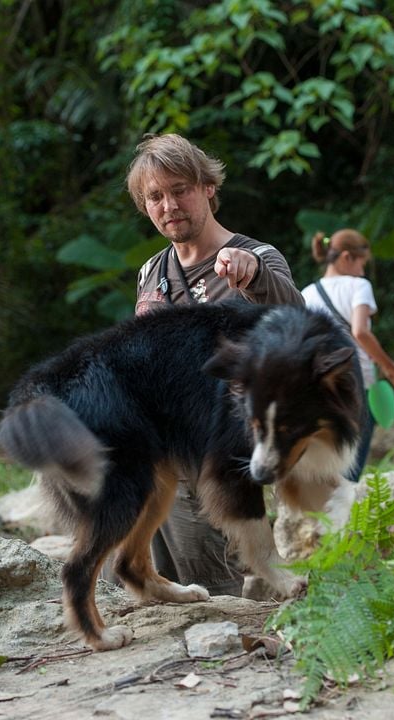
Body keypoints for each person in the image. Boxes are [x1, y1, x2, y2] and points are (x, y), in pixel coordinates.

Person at [127, 133, 304, 596]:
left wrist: (254, 274)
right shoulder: (151, 272)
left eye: (180, 189)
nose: (169, 205)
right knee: (143, 590)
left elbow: (295, 320)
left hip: (214, 463)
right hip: (152, 460)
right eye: (155, 196)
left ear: (207, 187)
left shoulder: (257, 257)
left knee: (211, 594)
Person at [301, 228, 394, 473]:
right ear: (347, 257)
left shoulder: (306, 293)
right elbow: (360, 332)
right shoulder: (359, 286)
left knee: (325, 462)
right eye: (361, 263)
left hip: (320, 386)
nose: (362, 271)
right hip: (356, 382)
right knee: (352, 464)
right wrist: (390, 367)